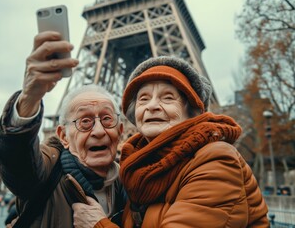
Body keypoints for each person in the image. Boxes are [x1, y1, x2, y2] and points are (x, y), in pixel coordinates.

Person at [72, 56, 270, 227]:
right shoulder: (139, 170)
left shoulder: (216, 160)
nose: (152, 106)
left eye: (167, 98)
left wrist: (98, 225)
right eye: (143, 99)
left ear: (191, 113)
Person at [0, 30, 126, 227]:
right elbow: (16, 160)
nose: (98, 131)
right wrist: (29, 99)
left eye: (107, 119)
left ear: (121, 131)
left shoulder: (133, 186)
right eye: (85, 122)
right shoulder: (45, 173)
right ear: (63, 136)